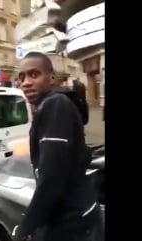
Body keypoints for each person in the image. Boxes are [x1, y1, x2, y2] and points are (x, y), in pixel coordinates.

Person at [13, 52, 104, 241]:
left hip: (74, 223)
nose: (26, 82)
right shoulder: (54, 103)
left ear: (52, 78)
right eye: (21, 77)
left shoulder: (55, 105)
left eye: (33, 74)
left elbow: (52, 177)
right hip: (74, 216)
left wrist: (26, 227)